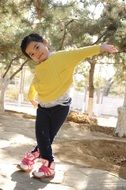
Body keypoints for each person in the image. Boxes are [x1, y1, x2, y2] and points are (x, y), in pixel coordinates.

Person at [18, 33, 118, 179]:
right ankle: (36, 155)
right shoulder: (39, 69)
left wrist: (100, 47)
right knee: (42, 135)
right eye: (32, 54)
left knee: (47, 137)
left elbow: (80, 52)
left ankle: (49, 166)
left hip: (60, 107)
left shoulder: (61, 57)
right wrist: (31, 97)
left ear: (45, 42)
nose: (36, 54)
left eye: (37, 47)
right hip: (43, 107)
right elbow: (35, 83)